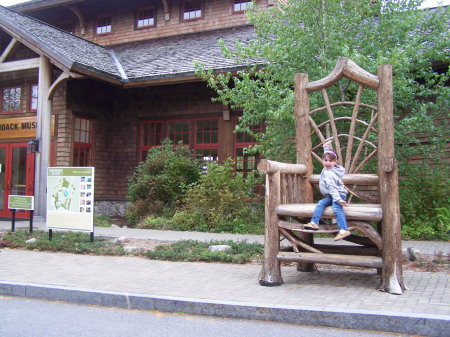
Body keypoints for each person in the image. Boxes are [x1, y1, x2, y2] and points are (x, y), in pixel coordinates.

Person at [303, 141, 351, 241]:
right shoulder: (330, 169)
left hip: (338, 195)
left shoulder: (329, 174)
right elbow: (328, 155)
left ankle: (343, 230)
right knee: (321, 203)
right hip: (333, 195)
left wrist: (338, 200)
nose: (327, 163)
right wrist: (326, 147)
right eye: (325, 160)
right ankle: (314, 223)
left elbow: (333, 188)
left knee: (337, 209)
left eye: (330, 161)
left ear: (335, 162)